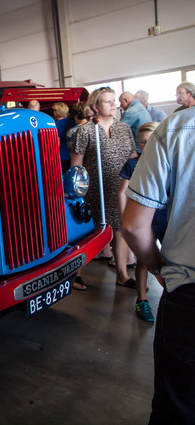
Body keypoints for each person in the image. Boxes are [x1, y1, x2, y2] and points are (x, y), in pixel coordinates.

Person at [122, 106, 195, 424]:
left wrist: (156, 268)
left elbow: (134, 227)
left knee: (178, 407)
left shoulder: (178, 127)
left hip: (188, 286)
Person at [70, 87, 137, 290]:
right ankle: (76, 274)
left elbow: (133, 158)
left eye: (113, 100)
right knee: (85, 233)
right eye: (107, 101)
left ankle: (122, 274)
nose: (113, 104)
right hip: (94, 190)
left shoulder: (124, 129)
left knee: (119, 229)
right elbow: (76, 166)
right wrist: (75, 192)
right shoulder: (85, 131)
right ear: (95, 107)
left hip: (119, 188)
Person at [118, 122, 167, 322]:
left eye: (151, 140)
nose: (146, 146)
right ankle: (142, 299)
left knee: (170, 257)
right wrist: (123, 219)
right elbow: (123, 192)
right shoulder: (133, 164)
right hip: (144, 221)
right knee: (143, 260)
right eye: (142, 142)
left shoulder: (166, 161)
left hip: (165, 219)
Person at [53, 102, 73, 172]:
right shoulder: (73, 122)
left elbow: (57, 143)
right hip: (73, 155)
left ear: (57, 112)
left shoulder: (56, 124)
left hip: (62, 156)